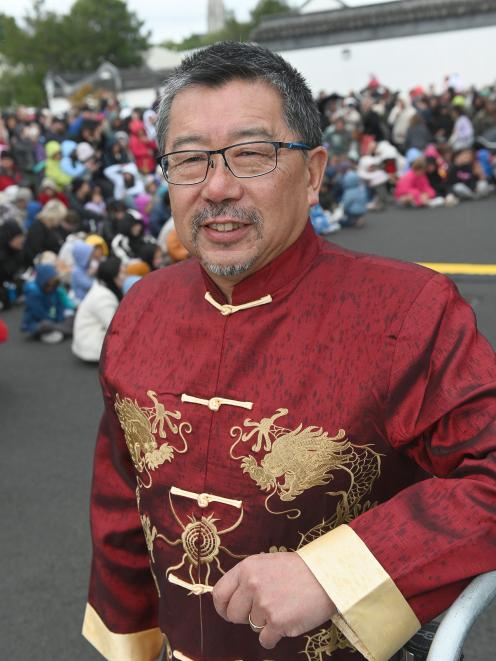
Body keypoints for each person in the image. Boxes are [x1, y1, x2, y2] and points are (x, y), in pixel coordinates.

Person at [83, 42, 496, 661]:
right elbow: (121, 500)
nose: (217, 187)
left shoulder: (407, 311)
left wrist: (337, 572)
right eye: (190, 161)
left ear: (313, 173)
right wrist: (128, 648)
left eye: (252, 155)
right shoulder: (142, 308)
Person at [72, 256, 124, 362]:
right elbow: (115, 328)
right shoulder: (103, 298)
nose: (125, 276)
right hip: (92, 348)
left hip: (86, 341)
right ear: (113, 277)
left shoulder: (101, 288)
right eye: (122, 273)